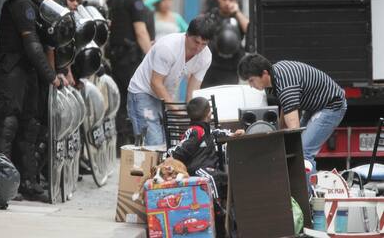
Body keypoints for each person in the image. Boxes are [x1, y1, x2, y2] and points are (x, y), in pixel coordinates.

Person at [0, 0, 61, 199]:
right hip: (10, 74)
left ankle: (27, 183)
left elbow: (50, 43)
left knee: (30, 128)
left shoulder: (42, 5)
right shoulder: (21, 3)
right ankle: (1, 186)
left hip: (27, 75)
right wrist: (51, 77)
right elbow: (32, 46)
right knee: (7, 127)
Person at [237, 54, 347, 171]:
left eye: (251, 80)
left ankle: (307, 189)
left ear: (264, 73)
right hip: (314, 106)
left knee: (303, 152)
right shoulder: (276, 75)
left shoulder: (286, 86)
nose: (250, 86)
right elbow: (286, 108)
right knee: (294, 148)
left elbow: (294, 129)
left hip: (331, 105)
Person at [127, 15, 216, 146]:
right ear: (187, 35)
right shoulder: (168, 47)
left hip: (165, 95)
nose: (198, 48)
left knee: (170, 144)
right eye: (196, 42)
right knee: (154, 144)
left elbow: (193, 90)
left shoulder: (206, 56)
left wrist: (194, 116)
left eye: (204, 44)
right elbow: (156, 82)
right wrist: (176, 110)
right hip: (143, 92)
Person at [168, 96, 244, 237]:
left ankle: (228, 213)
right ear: (209, 113)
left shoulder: (205, 130)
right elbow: (180, 149)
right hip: (197, 169)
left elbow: (217, 133)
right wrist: (171, 154)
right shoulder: (196, 132)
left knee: (226, 178)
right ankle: (217, 209)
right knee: (211, 179)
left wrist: (232, 134)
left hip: (208, 168)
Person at [106, 0, 152, 146]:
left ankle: (118, 143)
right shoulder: (135, 1)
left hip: (114, 58)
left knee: (118, 101)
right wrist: (151, 56)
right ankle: (131, 142)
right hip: (130, 59)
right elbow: (141, 32)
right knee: (134, 99)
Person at [202, 0, 249, 87]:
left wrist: (237, 12)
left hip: (231, 67)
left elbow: (250, 30)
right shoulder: (211, 16)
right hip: (211, 67)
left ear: (236, 1)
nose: (227, 2)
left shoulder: (239, 17)